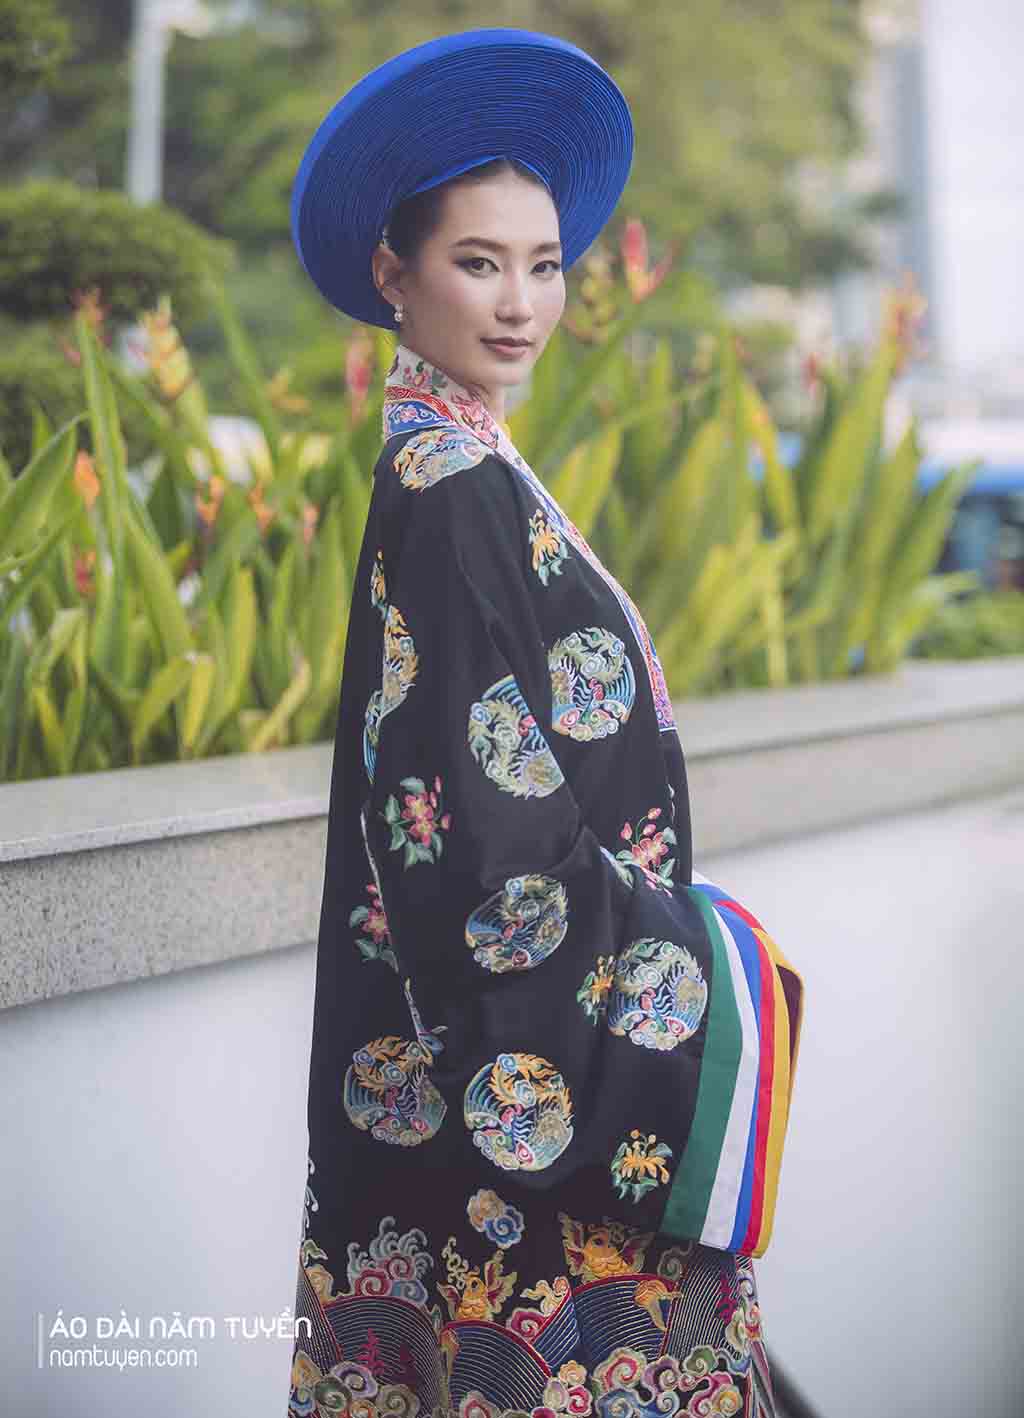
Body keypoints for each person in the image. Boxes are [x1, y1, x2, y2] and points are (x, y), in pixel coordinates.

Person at [287, 29, 804, 1418]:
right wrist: (695, 965)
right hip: (519, 1095)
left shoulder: (469, 464)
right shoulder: (450, 488)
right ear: (393, 275)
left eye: (545, 264)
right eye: (478, 263)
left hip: (506, 1062)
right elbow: (476, 830)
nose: (520, 304)